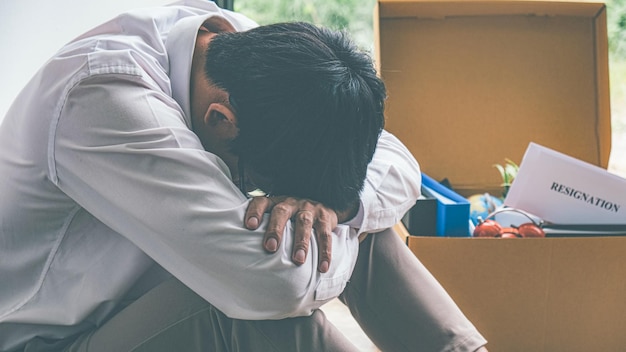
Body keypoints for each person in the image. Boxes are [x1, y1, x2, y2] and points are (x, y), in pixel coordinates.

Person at [0, 1, 488, 351]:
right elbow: (275, 288)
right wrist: (339, 221)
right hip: (61, 337)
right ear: (220, 121)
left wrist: (343, 209)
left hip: (153, 282)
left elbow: (396, 158)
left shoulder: (243, 50)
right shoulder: (104, 97)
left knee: (344, 213)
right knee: (256, 313)